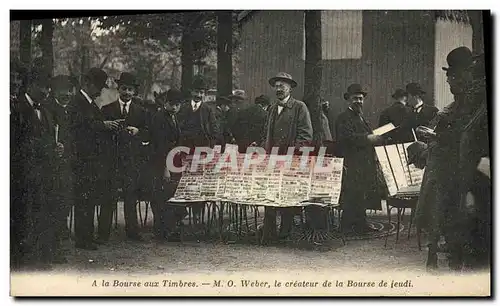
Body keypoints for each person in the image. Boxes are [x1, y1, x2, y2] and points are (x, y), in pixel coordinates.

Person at [412, 46, 479, 270]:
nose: (450, 80)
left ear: (468, 73)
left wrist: (435, 136)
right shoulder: (453, 105)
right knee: (440, 213)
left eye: (454, 75)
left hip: (463, 172)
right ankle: (440, 255)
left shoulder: (474, 103)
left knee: (456, 218)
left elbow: (466, 135)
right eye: (449, 76)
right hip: (444, 172)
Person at [11, 64, 63, 269]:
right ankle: (24, 261)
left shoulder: (47, 111)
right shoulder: (17, 109)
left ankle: (40, 258)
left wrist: (57, 147)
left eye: (48, 88)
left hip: (44, 173)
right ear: (31, 85)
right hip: (24, 173)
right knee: (25, 216)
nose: (47, 91)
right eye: (43, 87)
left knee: (41, 213)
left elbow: (48, 139)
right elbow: (17, 144)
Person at [67, 67, 123, 250]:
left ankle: (86, 237)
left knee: (89, 199)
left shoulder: (89, 103)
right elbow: (80, 127)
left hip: (91, 160)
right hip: (82, 159)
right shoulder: (77, 103)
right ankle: (83, 239)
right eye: (98, 85)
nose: (100, 90)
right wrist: (103, 125)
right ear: (87, 83)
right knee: (84, 200)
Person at [258, 72, 313, 241]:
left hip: (290, 160)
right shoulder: (272, 109)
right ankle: (269, 232)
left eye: (282, 85)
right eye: (276, 86)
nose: (279, 89)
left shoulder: (299, 107)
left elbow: (306, 135)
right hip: (271, 160)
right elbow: (266, 133)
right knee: (269, 195)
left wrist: (293, 153)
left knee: (287, 196)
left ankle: (285, 232)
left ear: (290, 88)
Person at [99, 72, 150, 242]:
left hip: (131, 160)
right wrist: (108, 128)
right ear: (118, 89)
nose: (127, 92)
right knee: (109, 196)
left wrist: (139, 132)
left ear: (135, 92)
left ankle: (132, 232)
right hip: (112, 160)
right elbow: (100, 135)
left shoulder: (141, 112)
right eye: (123, 89)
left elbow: (148, 133)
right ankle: (103, 233)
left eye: (130, 90)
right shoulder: (106, 110)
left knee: (131, 196)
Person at [335, 84, 385, 234]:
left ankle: (361, 223)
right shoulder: (343, 118)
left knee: (361, 194)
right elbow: (345, 138)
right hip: (352, 162)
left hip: (364, 162)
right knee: (352, 194)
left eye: (361, 98)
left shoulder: (361, 117)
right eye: (355, 98)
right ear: (348, 100)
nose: (359, 101)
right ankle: (347, 226)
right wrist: (368, 138)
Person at [46, 75, 78, 255]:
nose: (66, 94)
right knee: (54, 201)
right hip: (52, 164)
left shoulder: (71, 110)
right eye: (62, 90)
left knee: (65, 199)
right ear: (54, 90)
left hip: (67, 163)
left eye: (69, 90)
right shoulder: (48, 109)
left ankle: (61, 232)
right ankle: (54, 241)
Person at [150, 89, 186, 242]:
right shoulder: (159, 118)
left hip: (171, 162)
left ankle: (168, 229)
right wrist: (165, 168)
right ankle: (161, 231)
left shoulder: (173, 118)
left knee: (169, 196)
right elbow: (160, 145)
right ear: (166, 103)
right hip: (160, 162)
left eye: (178, 105)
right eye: (172, 104)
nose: (175, 107)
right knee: (161, 197)